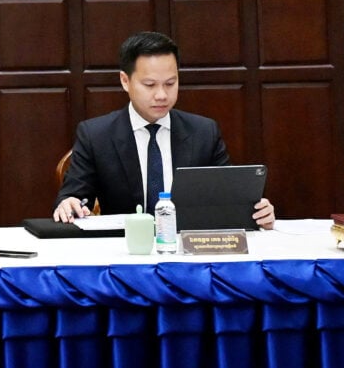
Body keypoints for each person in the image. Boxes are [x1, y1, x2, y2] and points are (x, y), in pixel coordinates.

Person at [53, 31, 275, 228]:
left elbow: (229, 198)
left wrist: (256, 212)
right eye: (150, 85)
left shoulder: (204, 132)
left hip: (188, 249)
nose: (161, 95)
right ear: (125, 81)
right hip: (125, 249)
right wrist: (69, 203)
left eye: (170, 83)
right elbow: (73, 195)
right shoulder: (96, 135)